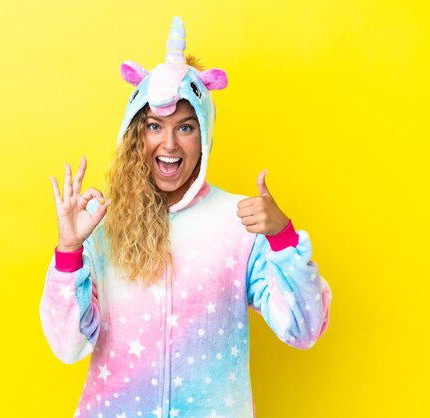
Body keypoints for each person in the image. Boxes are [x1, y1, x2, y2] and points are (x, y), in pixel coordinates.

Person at [39, 16, 332, 418]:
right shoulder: (100, 222)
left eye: (186, 127)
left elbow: (305, 329)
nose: (169, 143)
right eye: (155, 126)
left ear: (204, 136)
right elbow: (66, 344)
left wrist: (282, 237)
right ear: (135, 134)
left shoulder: (240, 223)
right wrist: (70, 250)